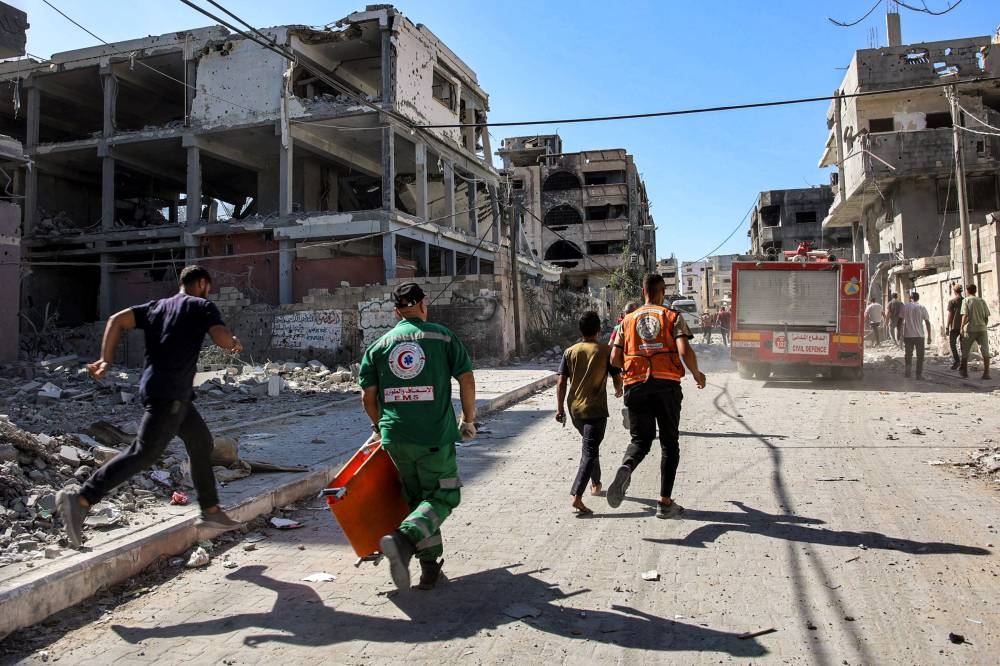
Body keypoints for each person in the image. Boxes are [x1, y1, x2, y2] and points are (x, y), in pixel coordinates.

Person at [55, 266, 245, 548]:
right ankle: (82, 498)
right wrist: (233, 343)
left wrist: (105, 359)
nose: (210, 291)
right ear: (202, 283)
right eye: (209, 286)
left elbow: (116, 320)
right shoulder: (202, 306)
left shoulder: (157, 307)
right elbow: (220, 336)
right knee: (143, 453)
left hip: (171, 393)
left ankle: (210, 510)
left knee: (201, 442)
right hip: (169, 395)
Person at [359, 282, 476, 591]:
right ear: (424, 305)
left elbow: (368, 398)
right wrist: (468, 419)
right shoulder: (442, 336)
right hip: (434, 437)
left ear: (397, 311)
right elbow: (466, 378)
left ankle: (429, 570)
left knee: (419, 502)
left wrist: (379, 426)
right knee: (444, 496)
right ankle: (404, 540)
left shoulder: (379, 345)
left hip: (395, 438)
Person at [607, 273, 706, 519]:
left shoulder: (627, 321)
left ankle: (627, 466)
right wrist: (696, 373)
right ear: (663, 291)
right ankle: (664, 502)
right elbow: (684, 349)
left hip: (635, 385)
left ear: (644, 292)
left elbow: (614, 358)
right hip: (666, 385)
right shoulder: (672, 316)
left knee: (641, 439)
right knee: (669, 443)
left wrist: (629, 370)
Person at [555, 310, 624, 516]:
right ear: (599, 330)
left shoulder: (569, 351)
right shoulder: (605, 350)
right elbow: (616, 376)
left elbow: (560, 382)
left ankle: (596, 483)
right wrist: (619, 388)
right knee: (590, 450)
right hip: (595, 410)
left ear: (580, 330)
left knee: (590, 445)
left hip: (574, 410)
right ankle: (576, 495)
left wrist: (559, 409)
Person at [959, 283, 991, 380]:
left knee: (965, 351)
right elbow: (986, 317)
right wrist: (984, 325)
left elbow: (964, 315)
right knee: (985, 351)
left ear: (967, 291)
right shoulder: (982, 301)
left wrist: (961, 328)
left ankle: (964, 372)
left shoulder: (966, 300)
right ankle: (986, 373)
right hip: (982, 329)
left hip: (970, 329)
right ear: (975, 291)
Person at [901, 291, 932, 379]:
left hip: (908, 335)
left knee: (908, 354)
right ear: (918, 298)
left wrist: (899, 333)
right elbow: (927, 322)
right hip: (919, 336)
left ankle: (908, 372)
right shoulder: (922, 307)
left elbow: (900, 320)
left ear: (910, 298)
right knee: (920, 356)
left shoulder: (905, 307)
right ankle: (918, 375)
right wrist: (929, 336)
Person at [946, 284, 964, 371]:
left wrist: (947, 326)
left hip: (954, 326)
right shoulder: (965, 301)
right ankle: (963, 364)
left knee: (952, 344)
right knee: (963, 345)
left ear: (954, 291)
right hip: (963, 326)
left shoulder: (952, 301)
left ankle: (957, 361)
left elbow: (950, 315)